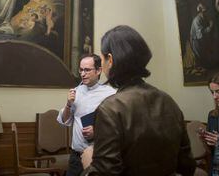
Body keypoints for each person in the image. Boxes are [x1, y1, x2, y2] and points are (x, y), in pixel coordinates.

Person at [81, 25, 196, 176]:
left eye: (102, 59)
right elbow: (187, 166)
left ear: (110, 60)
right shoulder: (169, 102)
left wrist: (89, 164)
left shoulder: (110, 109)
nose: (102, 64)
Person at [57, 54, 116, 176]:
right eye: (81, 70)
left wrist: (97, 132)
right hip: (76, 158)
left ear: (99, 70)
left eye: (87, 70)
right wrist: (68, 104)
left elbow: (117, 127)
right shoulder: (75, 92)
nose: (83, 74)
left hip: (99, 157)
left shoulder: (111, 94)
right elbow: (63, 121)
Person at [190, 2, 214, 74]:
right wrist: (210, 27)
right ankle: (199, 68)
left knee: (204, 53)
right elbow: (200, 33)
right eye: (204, 11)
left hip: (201, 39)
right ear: (200, 11)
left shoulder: (203, 18)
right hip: (196, 40)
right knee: (199, 55)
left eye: (206, 11)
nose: (205, 13)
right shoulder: (197, 20)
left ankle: (203, 67)